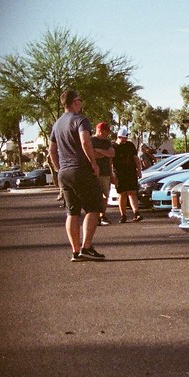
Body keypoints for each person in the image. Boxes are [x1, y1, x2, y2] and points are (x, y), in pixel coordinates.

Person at [47, 89, 105, 261]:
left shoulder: (57, 124)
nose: (81, 103)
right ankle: (86, 247)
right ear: (75, 102)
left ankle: (75, 250)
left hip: (64, 172)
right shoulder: (81, 120)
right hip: (81, 170)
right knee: (94, 208)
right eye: (80, 99)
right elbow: (85, 141)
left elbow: (52, 150)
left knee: (72, 212)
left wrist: (59, 168)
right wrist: (93, 163)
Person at [112, 126, 144, 222]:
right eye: (123, 138)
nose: (125, 140)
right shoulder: (113, 147)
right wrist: (111, 175)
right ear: (119, 137)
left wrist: (139, 170)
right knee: (122, 194)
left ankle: (136, 213)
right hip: (119, 173)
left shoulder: (130, 145)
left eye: (126, 138)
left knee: (132, 192)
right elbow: (110, 160)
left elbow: (135, 158)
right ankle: (123, 215)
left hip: (130, 172)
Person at [91, 122, 116, 225]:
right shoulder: (91, 140)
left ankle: (103, 215)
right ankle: (95, 217)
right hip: (94, 173)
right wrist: (104, 154)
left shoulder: (107, 142)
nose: (107, 134)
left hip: (106, 172)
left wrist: (99, 151)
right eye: (106, 132)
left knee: (105, 195)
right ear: (101, 131)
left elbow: (112, 153)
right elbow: (92, 155)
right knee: (95, 196)